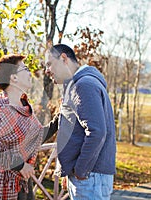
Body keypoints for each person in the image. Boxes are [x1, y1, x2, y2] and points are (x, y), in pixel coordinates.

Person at [0, 54, 58, 200]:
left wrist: (62, 116)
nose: (29, 73)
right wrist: (20, 166)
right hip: (2, 186)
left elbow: (37, 136)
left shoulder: (23, 106)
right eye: (25, 69)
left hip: (22, 183)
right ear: (14, 78)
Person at [45, 44, 116, 200]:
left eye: (49, 64)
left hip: (90, 176)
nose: (47, 70)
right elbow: (71, 126)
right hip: (90, 176)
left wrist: (80, 170)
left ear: (63, 58)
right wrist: (69, 170)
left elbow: (97, 132)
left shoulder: (83, 86)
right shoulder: (80, 84)